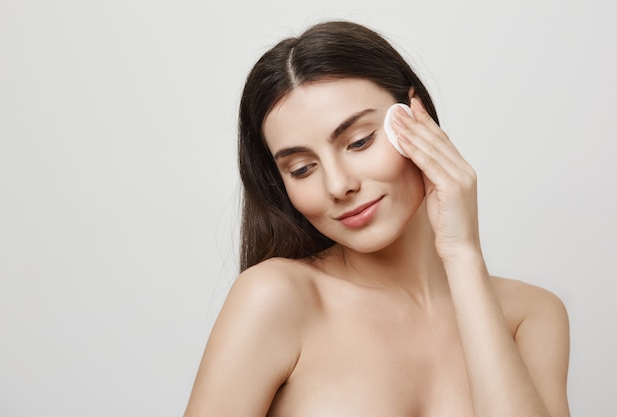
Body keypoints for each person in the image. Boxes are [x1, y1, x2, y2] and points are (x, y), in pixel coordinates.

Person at [183, 20, 570, 417]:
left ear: (418, 115)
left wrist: (463, 255)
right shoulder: (277, 297)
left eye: (359, 141)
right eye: (301, 169)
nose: (338, 185)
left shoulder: (531, 315)